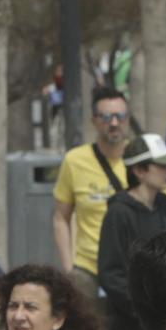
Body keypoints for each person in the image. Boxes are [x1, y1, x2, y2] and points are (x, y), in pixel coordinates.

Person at [97, 133, 166, 330]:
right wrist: (145, 309)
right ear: (139, 171)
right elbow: (111, 274)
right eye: (162, 165)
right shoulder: (118, 212)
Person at [52, 86, 136, 305]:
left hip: (132, 269)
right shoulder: (75, 160)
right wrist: (69, 268)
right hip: (88, 268)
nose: (114, 123)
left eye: (120, 116)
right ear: (94, 120)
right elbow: (61, 217)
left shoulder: (141, 160)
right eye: (106, 117)